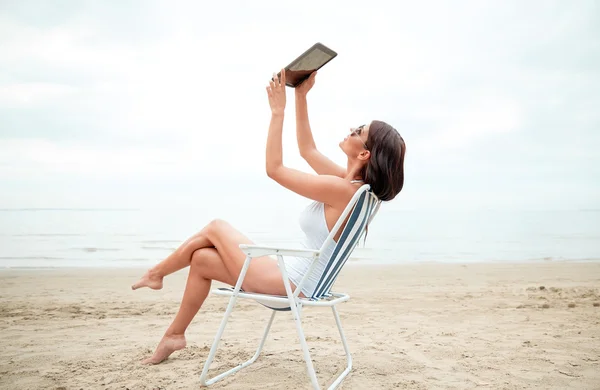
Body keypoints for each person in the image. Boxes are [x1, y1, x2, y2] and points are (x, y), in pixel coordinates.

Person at [132, 69, 406, 364]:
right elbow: (307, 149)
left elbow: (274, 169)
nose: (351, 129)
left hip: (290, 285)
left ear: (364, 154)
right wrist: (301, 96)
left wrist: (278, 112)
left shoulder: (343, 191)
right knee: (200, 260)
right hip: (297, 283)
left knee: (216, 227)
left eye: (359, 132)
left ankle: (157, 273)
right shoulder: (356, 190)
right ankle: (174, 335)